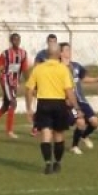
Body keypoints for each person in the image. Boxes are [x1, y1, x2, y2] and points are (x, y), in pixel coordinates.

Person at [25, 42, 78, 174]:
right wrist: (77, 107)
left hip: (43, 103)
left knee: (45, 134)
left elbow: (29, 90)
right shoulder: (63, 69)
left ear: (47, 54)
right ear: (59, 54)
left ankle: (48, 163)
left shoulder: (38, 68)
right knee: (59, 135)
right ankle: (57, 163)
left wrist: (29, 109)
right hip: (59, 104)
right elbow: (69, 91)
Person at [60, 42, 98, 154]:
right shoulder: (58, 68)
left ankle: (84, 136)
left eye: (69, 49)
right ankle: (74, 146)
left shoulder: (75, 66)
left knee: (95, 122)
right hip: (69, 102)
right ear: (60, 52)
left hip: (81, 100)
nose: (69, 52)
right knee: (80, 122)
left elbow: (84, 78)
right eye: (66, 50)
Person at [0, 33, 29, 139]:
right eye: (14, 40)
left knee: (5, 107)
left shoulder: (23, 54)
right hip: (6, 80)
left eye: (18, 40)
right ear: (11, 41)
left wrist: (29, 83)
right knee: (13, 103)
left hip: (14, 82)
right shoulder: (6, 54)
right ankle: (9, 131)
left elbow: (25, 69)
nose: (16, 42)